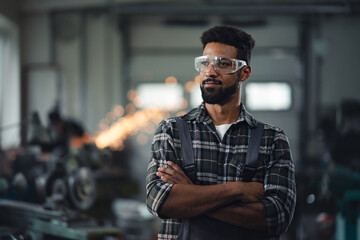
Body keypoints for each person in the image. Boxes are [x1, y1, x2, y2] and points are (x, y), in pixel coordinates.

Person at [146, 26, 296, 240]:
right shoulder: (171, 131)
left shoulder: (272, 139)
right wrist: (237, 190)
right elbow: (158, 200)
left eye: (223, 64)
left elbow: (276, 217)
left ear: (244, 73)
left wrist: (190, 192)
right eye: (205, 63)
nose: (210, 71)